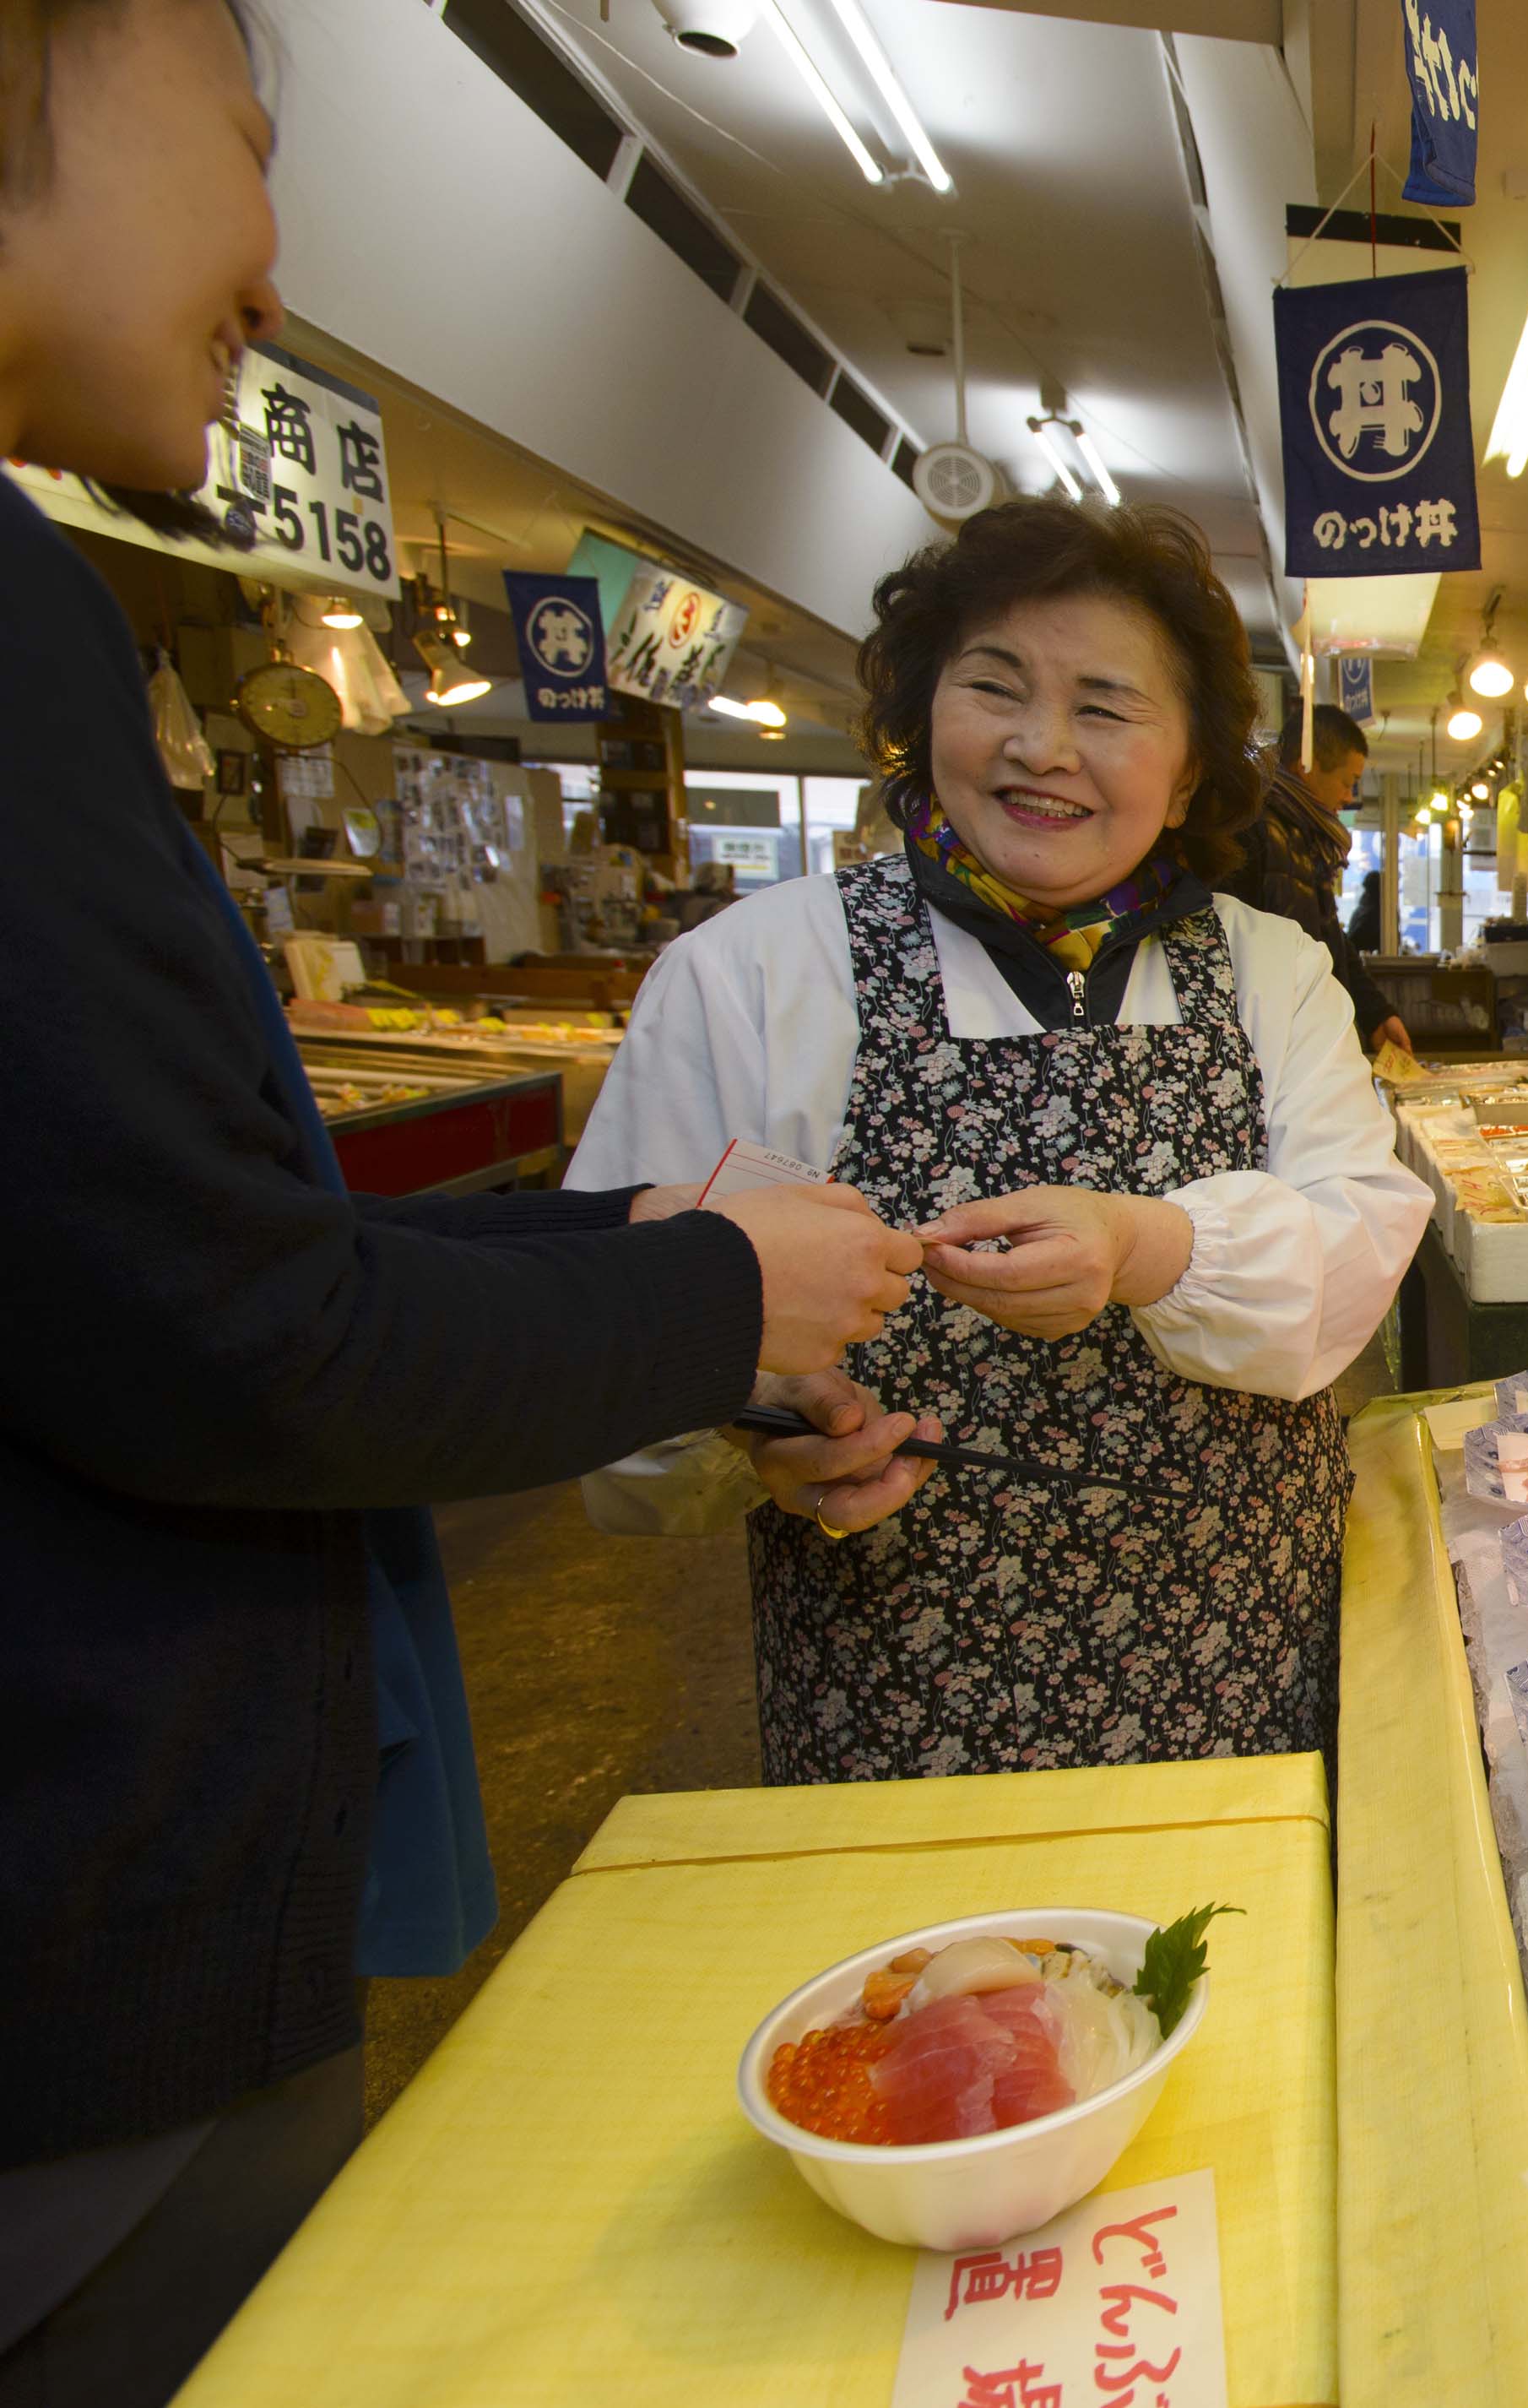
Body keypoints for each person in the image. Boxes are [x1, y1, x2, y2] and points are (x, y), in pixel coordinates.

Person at [0, 0, 924, 2385]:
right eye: (244, 137)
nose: (275, 268)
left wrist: (631, 1257)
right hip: (72, 1954)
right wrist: (718, 1290)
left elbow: (170, 1260)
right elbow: (239, 1339)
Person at [571, 499, 1431, 1782]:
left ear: (1190, 763)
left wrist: (1149, 1245)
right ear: (924, 718)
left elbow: (1359, 1244)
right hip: (897, 1675)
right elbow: (605, 1351)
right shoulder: (752, 974)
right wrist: (758, 1430)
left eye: (1104, 705)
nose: (1043, 749)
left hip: (1241, 1651)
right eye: (995, 687)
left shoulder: (1271, 971)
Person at [1246, 702, 1411, 1059]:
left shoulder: (1304, 837)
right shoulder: (1256, 830)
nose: (1348, 797)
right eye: (1348, 782)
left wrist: (1376, 1014)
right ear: (1308, 765)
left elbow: (1329, 938)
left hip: (1305, 1044)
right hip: (1276, 1051)